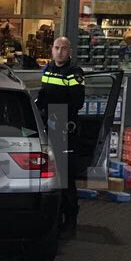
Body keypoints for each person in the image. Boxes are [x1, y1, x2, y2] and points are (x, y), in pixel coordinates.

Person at [35, 37, 86, 237]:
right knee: (50, 174)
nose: (60, 52)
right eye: (57, 48)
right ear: (52, 49)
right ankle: (55, 217)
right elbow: (44, 95)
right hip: (49, 124)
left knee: (65, 177)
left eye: (64, 48)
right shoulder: (48, 70)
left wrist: (56, 115)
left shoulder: (74, 73)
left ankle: (70, 221)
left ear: (69, 51)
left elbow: (77, 102)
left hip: (64, 127)